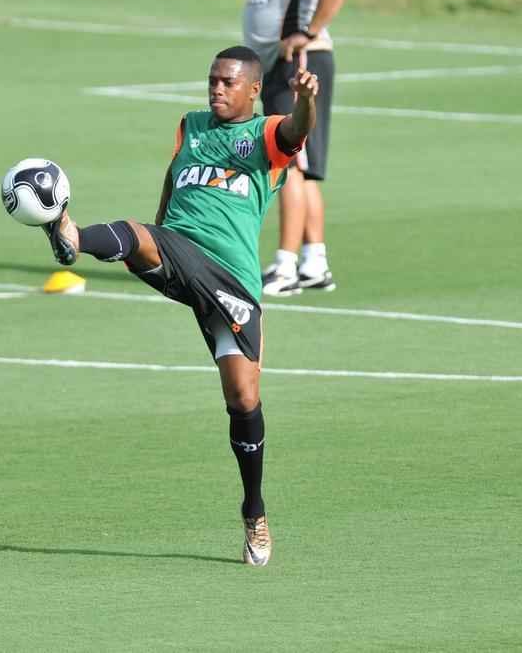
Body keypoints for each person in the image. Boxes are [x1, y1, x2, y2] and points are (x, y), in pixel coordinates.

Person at [36, 46, 317, 566]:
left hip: (228, 278)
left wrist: (305, 103)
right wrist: (159, 224)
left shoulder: (265, 135)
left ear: (253, 89)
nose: (216, 88)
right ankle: (72, 234)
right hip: (177, 248)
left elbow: (296, 132)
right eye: (212, 79)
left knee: (242, 397)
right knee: (140, 235)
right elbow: (173, 175)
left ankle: (254, 510)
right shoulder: (190, 126)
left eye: (228, 82)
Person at [243, 0, 351, 296]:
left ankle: (285, 268)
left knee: (286, 162)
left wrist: (307, 32)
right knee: (301, 168)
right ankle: (313, 263)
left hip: (297, 63)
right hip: (280, 66)